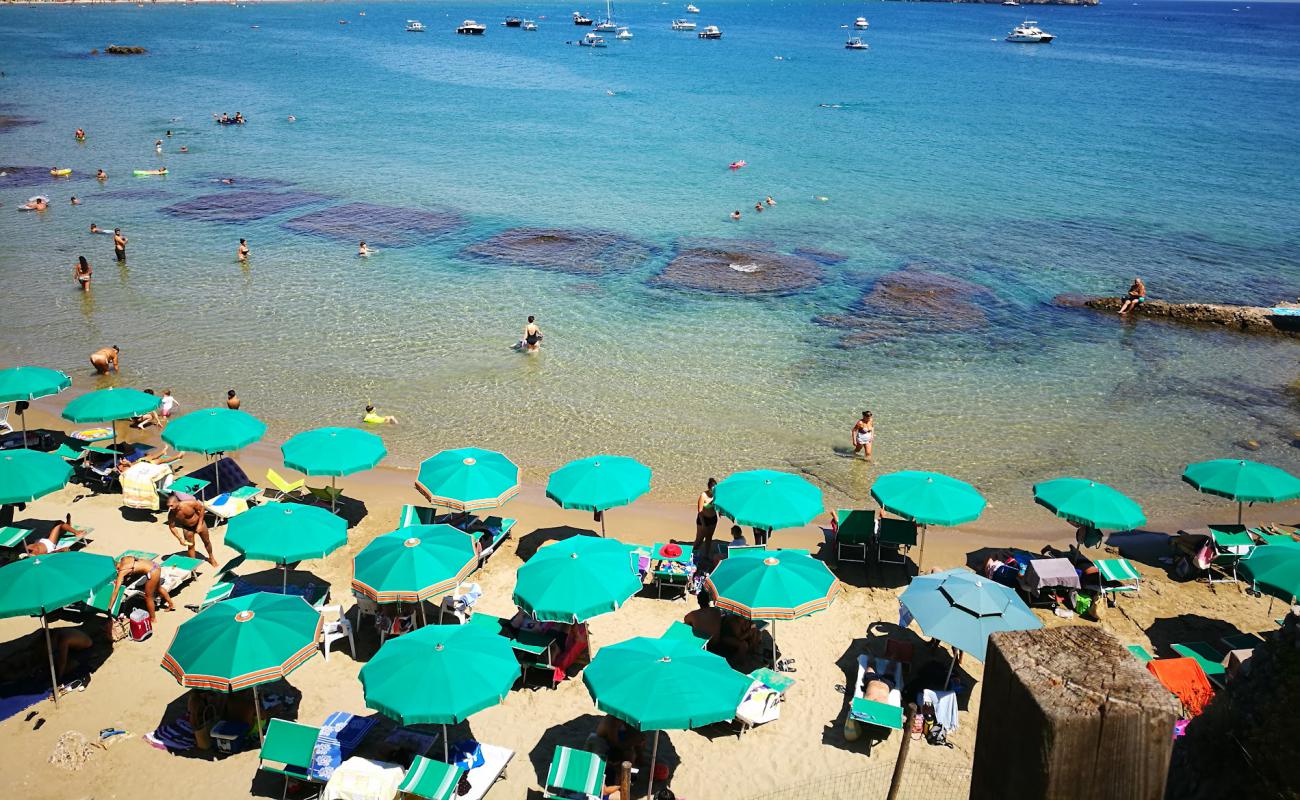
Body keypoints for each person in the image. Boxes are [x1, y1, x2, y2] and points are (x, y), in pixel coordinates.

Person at [110, 554, 175, 622]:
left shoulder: (122, 571)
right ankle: (171, 605)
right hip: (155, 566)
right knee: (158, 587)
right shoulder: (124, 559)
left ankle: (153, 618)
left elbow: (116, 592)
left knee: (148, 597)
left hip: (152, 572)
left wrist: (109, 608)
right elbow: (136, 565)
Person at [167, 494, 217, 566]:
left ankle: (211, 557)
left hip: (199, 523)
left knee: (206, 541)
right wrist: (180, 539)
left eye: (171, 505)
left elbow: (202, 508)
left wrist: (200, 524)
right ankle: (193, 565)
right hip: (187, 528)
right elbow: (172, 527)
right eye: (168, 506)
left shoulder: (190, 503)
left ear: (177, 502)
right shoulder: (171, 514)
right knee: (191, 546)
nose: (170, 508)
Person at [694, 478, 718, 554]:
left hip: (713, 519)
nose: (714, 492)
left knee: (709, 538)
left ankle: (706, 555)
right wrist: (703, 524)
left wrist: (721, 512)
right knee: (699, 539)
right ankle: (693, 554)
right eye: (712, 490)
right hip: (703, 519)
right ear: (709, 488)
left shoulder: (716, 495)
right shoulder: (703, 496)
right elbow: (700, 511)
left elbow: (719, 505)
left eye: (715, 490)